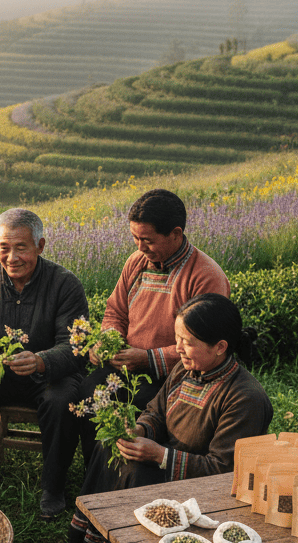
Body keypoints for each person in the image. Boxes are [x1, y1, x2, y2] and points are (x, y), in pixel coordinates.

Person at [68, 293, 273, 543]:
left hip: (201, 490)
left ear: (220, 347)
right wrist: (140, 430)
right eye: (178, 339)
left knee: (135, 470)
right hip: (170, 461)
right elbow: (156, 411)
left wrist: (160, 456)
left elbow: (224, 470)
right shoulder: (186, 369)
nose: (178, 349)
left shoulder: (245, 398)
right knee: (110, 449)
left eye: (187, 342)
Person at [0, 207, 87, 519]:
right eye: (4, 247)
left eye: (21, 247)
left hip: (52, 376)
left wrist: (41, 361)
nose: (12, 257)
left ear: (40, 246)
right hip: (4, 374)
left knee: (62, 400)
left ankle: (53, 485)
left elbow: (76, 345)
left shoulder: (65, 284)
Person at [76, 189, 229, 467]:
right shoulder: (136, 263)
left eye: (147, 240)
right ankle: (97, 471)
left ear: (176, 233)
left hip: (173, 377)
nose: (139, 247)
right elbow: (116, 311)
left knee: (142, 406)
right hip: (125, 367)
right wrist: (108, 340)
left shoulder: (205, 276)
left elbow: (204, 344)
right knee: (90, 391)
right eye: (135, 238)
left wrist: (148, 359)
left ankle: (135, 477)